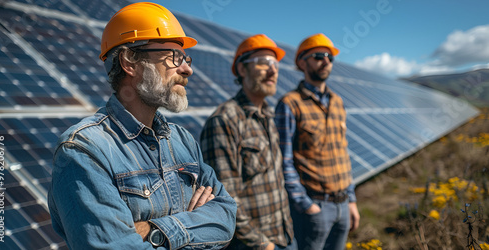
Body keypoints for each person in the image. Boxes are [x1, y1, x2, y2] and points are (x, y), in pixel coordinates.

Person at [47, 2, 236, 249]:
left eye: (186, 58)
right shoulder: (84, 151)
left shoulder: (182, 140)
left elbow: (226, 216)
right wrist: (195, 225)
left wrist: (154, 230)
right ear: (130, 61)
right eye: (174, 57)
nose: (187, 69)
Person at [200, 34, 296, 250]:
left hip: (284, 236)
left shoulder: (269, 116)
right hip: (252, 245)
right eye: (263, 63)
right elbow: (225, 199)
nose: (273, 70)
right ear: (242, 70)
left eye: (276, 64)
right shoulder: (225, 120)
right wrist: (262, 244)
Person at [274, 33, 360, 250]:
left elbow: (343, 152)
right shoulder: (290, 104)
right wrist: (306, 205)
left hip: (343, 205)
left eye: (330, 58)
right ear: (302, 62)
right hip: (315, 207)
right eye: (319, 56)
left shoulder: (338, 102)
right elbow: (283, 161)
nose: (326, 62)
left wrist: (351, 199)